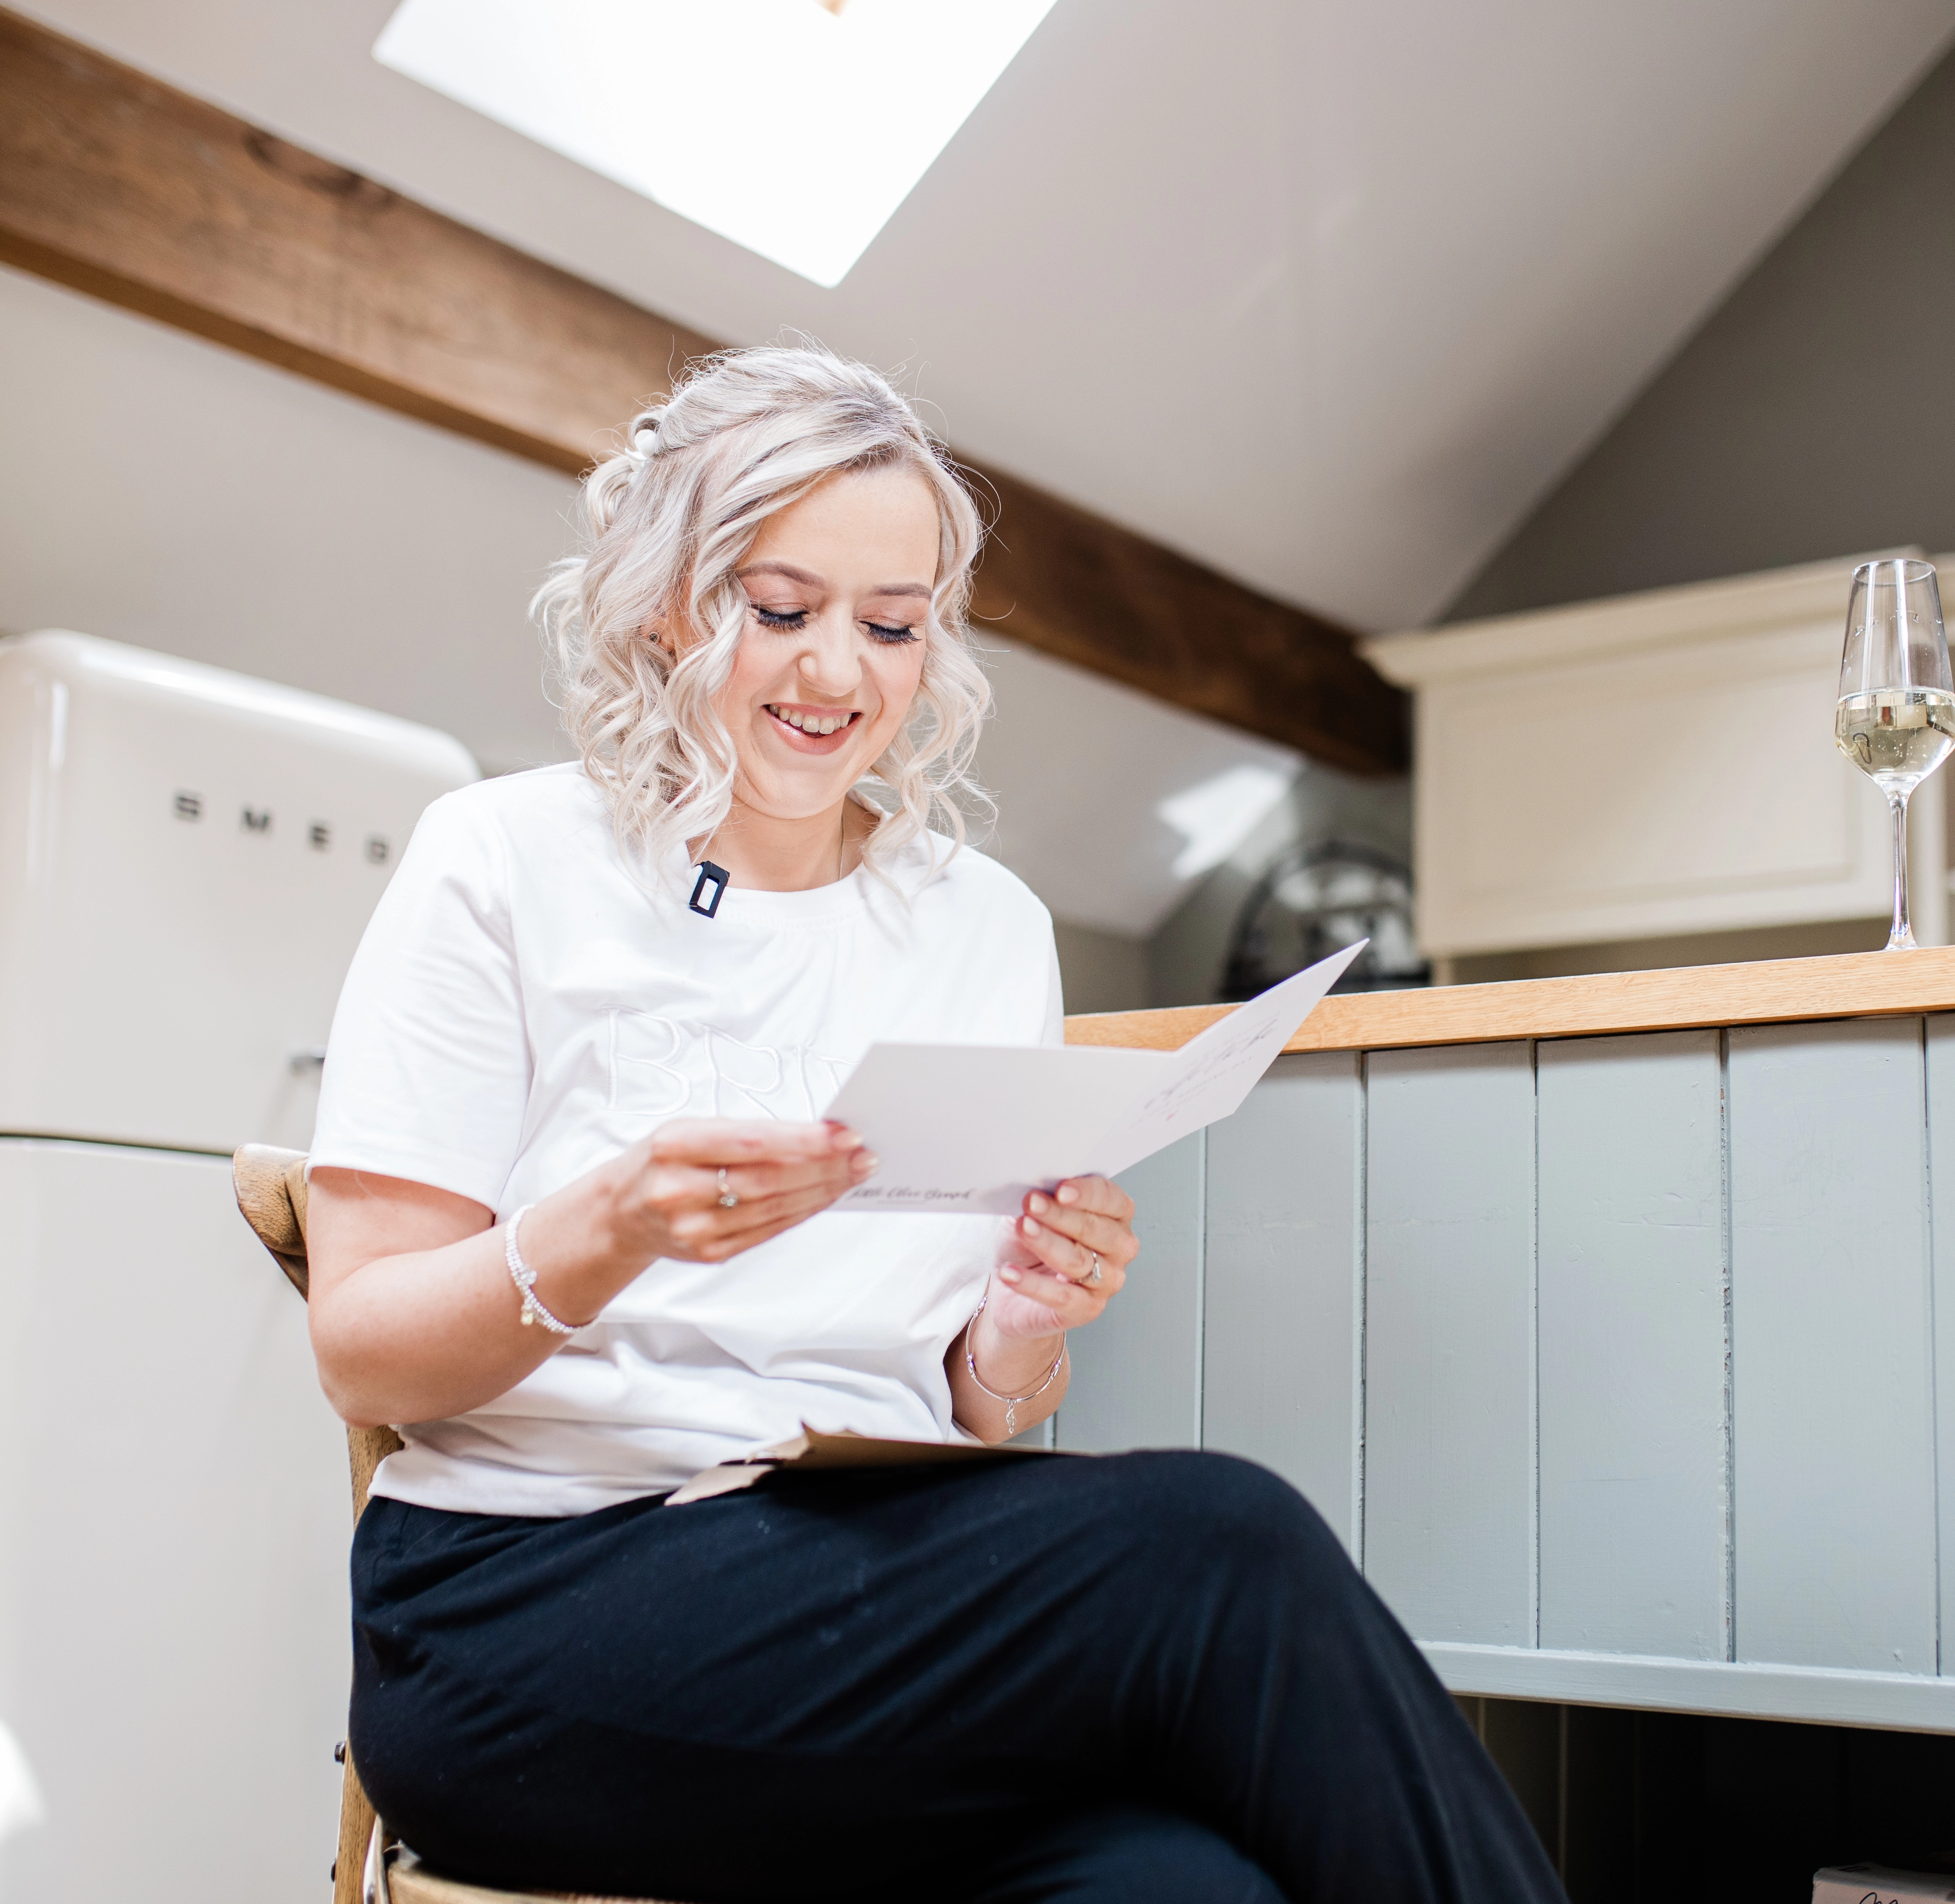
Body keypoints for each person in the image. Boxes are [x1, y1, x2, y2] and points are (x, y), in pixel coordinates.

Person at [304, 346, 1561, 1904]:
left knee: (1183, 1888)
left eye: (891, 626)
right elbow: (361, 1343)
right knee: (1219, 1539)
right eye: (781, 609)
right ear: (666, 605)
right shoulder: (498, 861)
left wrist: (1022, 1320)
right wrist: (609, 1222)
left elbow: (972, 1404)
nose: (838, 672)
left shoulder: (981, 928)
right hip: (532, 1610)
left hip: (858, 1587)